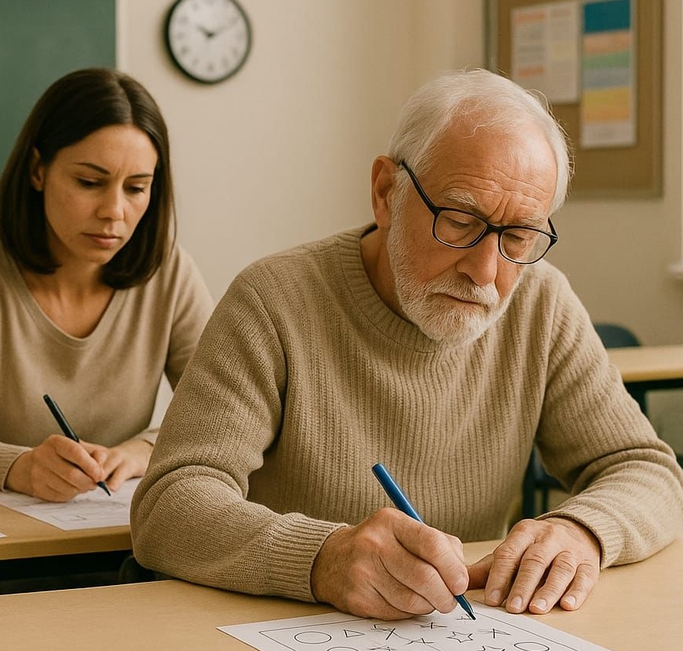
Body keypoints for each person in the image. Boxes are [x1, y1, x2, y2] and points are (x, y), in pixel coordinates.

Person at [131, 69, 683, 621]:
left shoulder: (542, 302)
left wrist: (582, 530)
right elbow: (169, 503)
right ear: (386, 193)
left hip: (463, 645)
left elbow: (648, 470)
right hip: (287, 636)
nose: (485, 272)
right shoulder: (275, 300)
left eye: (518, 237)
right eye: (460, 221)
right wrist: (321, 558)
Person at [0, 68, 213, 500]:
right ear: (38, 171)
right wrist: (22, 467)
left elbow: (218, 414)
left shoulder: (170, 273)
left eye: (137, 188)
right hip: (1, 541)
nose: (114, 212)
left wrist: (140, 452)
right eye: (89, 183)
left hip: (116, 536)